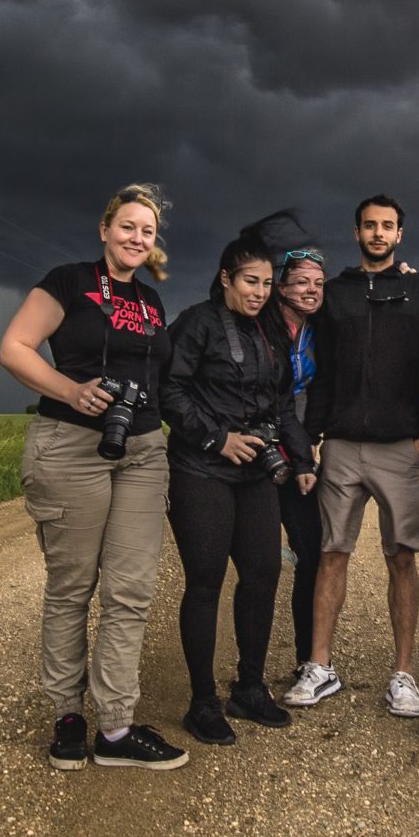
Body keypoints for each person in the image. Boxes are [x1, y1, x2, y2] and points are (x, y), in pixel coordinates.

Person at [0, 184, 187, 771]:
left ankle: (116, 726)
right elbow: (14, 348)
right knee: (72, 587)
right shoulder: (68, 281)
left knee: (130, 591)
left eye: (147, 231)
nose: (136, 238)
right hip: (71, 446)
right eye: (127, 226)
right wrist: (71, 390)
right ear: (105, 230)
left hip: (143, 450)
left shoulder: (152, 301)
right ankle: (67, 718)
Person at [286, 195, 419, 716]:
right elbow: (323, 371)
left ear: (400, 234)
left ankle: (404, 674)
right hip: (343, 445)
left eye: (387, 226)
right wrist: (312, 436)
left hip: (403, 446)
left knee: (402, 557)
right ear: (356, 232)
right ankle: (320, 666)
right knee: (332, 553)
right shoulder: (334, 294)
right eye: (370, 225)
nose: (378, 233)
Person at [161, 218, 311, 746]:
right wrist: (217, 438)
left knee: (263, 574)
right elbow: (170, 391)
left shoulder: (269, 332)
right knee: (205, 580)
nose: (260, 292)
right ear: (226, 278)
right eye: (250, 281)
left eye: (267, 283)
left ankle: (249, 688)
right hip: (202, 470)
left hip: (254, 476)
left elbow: (282, 405)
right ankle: (202, 702)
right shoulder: (197, 323)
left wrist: (302, 460)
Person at [270, 247, 330, 666]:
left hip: (303, 454)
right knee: (259, 563)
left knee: (311, 555)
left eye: (319, 283)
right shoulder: (259, 323)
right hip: (260, 451)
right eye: (301, 281)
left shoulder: (322, 326)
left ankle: (307, 660)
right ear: (281, 286)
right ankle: (249, 671)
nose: (311, 290)